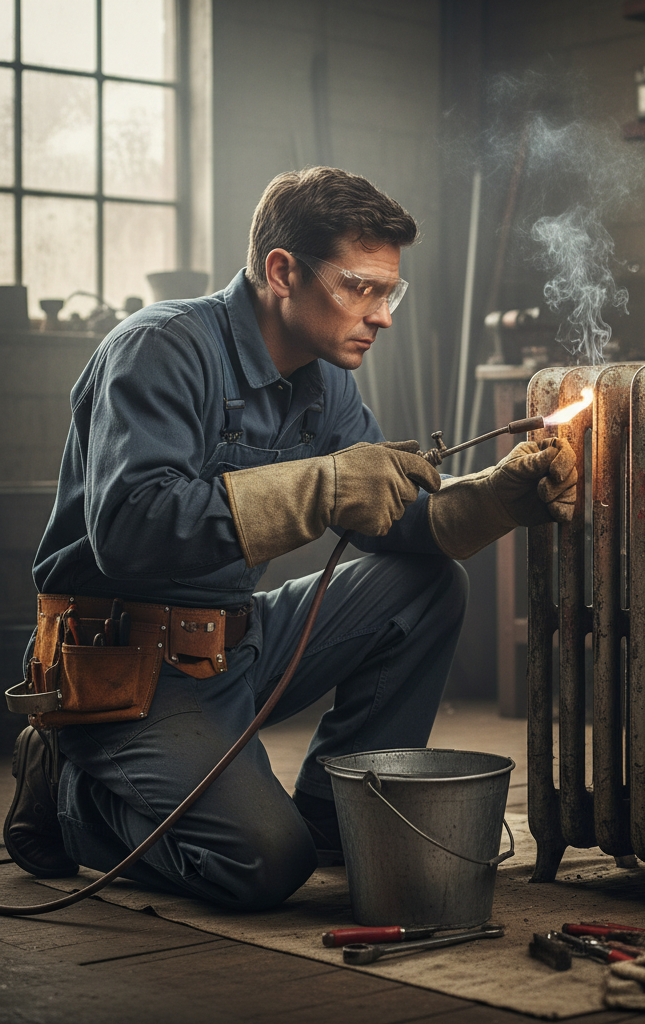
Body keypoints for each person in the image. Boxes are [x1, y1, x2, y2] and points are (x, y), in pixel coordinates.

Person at [3, 167, 576, 910]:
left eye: (389, 291)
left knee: (427, 586)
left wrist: (499, 495)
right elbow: (130, 531)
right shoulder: (160, 349)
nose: (382, 315)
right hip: (125, 672)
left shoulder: (326, 381)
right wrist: (327, 485)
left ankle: (331, 818)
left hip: (236, 644)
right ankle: (70, 796)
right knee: (263, 866)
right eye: (360, 287)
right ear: (282, 271)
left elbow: (401, 526)